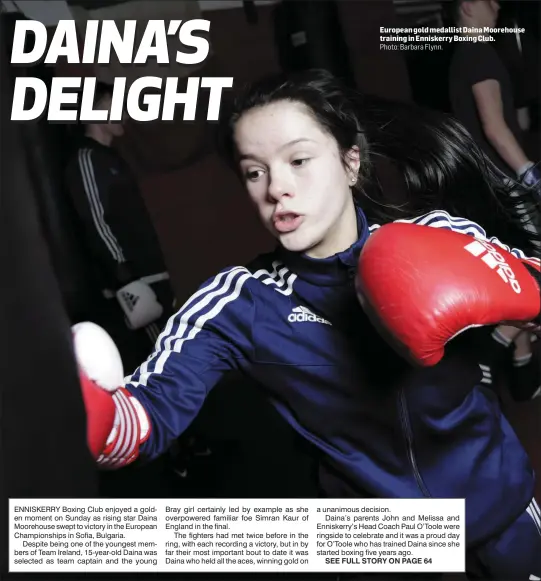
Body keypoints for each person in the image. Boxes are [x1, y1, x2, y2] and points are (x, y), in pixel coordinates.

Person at [77, 69, 541, 579]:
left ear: (350, 162)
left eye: (298, 160)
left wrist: (516, 287)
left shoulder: (434, 237)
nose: (277, 188)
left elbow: (531, 278)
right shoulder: (237, 304)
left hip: (508, 518)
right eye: (255, 172)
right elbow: (143, 418)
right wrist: (94, 418)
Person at [64, 81, 210, 494]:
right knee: (153, 371)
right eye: (114, 105)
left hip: (153, 280)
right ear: (94, 112)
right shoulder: (86, 159)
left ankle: (188, 443)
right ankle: (174, 459)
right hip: (136, 286)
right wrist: (127, 281)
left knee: (171, 361)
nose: (123, 112)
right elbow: (98, 223)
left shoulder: (110, 158)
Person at [447, 0, 541, 401]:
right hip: (506, 185)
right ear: (469, 6)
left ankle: (522, 372)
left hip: (485, 187)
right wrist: (529, 172)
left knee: (516, 276)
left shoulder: (460, 57)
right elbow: (494, 125)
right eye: (489, 0)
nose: (497, 6)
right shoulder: (479, 53)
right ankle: (487, 351)